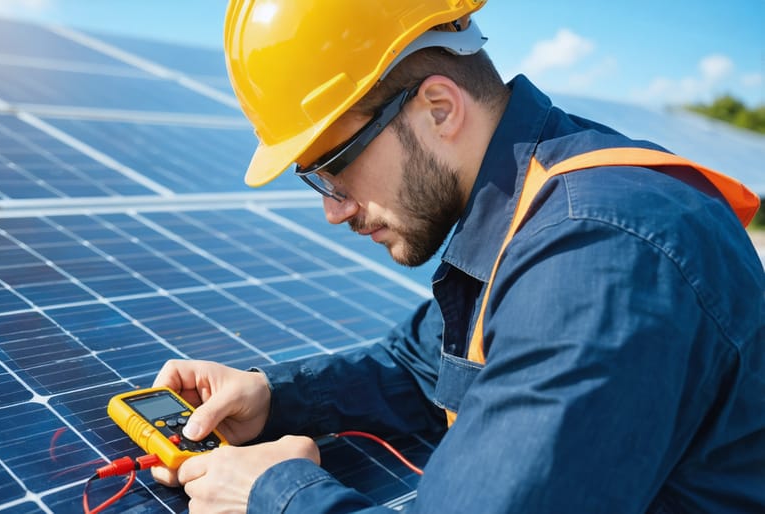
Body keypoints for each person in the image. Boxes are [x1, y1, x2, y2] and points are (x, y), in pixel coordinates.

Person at [150, 0, 765, 512]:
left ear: (439, 108)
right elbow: (424, 364)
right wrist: (274, 398)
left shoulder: (595, 259)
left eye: (334, 166)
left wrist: (274, 495)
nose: (333, 209)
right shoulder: (532, 195)